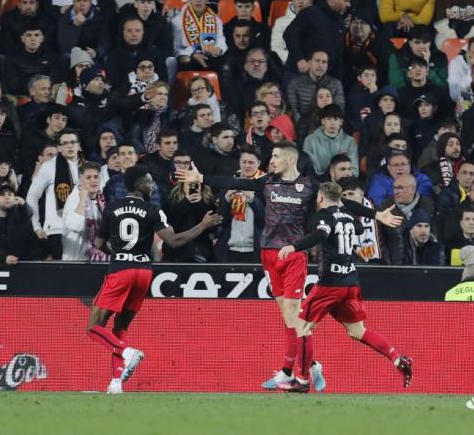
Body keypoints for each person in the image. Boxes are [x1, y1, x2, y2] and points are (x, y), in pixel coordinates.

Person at [177, 141, 403, 391]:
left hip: (294, 255)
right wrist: (202, 177)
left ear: (289, 160)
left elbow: (341, 203)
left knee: (296, 319)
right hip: (268, 255)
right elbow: (237, 183)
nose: (270, 160)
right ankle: (311, 365)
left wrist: (376, 215)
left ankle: (290, 371)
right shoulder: (267, 182)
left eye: (275, 156)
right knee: (288, 318)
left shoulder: (308, 186)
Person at [87, 164, 222, 394]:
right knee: (120, 327)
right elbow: (175, 241)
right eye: (149, 182)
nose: (152, 186)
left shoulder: (111, 208)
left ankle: (127, 352)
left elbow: (98, 244)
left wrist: (119, 254)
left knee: (93, 328)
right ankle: (116, 383)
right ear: (140, 186)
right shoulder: (153, 209)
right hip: (144, 273)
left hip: (120, 270)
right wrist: (203, 225)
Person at [275, 182, 413, 393]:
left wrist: (294, 246)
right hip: (350, 282)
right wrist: (371, 214)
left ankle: (302, 381)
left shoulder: (323, 216)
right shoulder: (349, 217)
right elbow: (356, 226)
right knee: (358, 331)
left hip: (330, 283)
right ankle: (397, 359)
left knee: (302, 327)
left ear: (321, 199)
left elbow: (321, 234)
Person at [26, 129, 82, 259]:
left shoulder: (87, 166)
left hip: (83, 229)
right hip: (58, 229)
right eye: (65, 143)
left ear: (79, 145)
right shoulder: (49, 166)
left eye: (73, 142)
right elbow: (32, 196)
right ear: (59, 148)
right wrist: (36, 226)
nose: (69, 145)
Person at [284, 0, 351, 79]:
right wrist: (299, 59)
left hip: (323, 80)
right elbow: (289, 34)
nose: (349, 5)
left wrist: (338, 79)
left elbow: (338, 54)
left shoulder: (340, 23)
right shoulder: (310, 13)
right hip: (298, 74)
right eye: (346, 1)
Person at [0, 184, 44, 265]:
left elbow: (28, 213)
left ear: (15, 198)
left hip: (24, 263)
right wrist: (3, 257)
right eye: (2, 195)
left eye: (10, 194)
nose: (7, 197)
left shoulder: (21, 213)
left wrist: (23, 204)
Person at [171, 0, 227, 71]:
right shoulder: (177, 21)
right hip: (189, 57)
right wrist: (193, 55)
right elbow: (176, 49)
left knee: (225, 62)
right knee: (186, 60)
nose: (198, 0)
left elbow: (221, 41)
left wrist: (218, 49)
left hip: (209, 56)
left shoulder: (216, 19)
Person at [62, 161, 109, 262]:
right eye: (88, 177)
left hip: (96, 260)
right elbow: (75, 226)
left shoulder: (101, 199)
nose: (93, 180)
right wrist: (83, 199)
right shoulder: (75, 198)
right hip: (75, 261)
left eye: (96, 177)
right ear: (80, 180)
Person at [303, 104, 358, 177]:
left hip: (344, 181)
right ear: (323, 121)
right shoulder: (310, 140)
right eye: (328, 119)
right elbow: (309, 170)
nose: (332, 123)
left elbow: (354, 170)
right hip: (320, 182)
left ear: (341, 122)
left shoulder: (350, 141)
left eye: (336, 119)